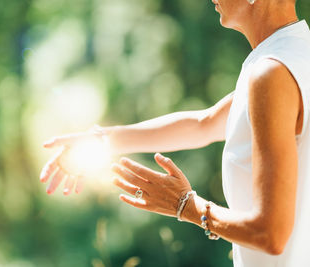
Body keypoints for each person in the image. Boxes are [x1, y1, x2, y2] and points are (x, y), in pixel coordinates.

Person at [40, 0, 310, 265]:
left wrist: (186, 206)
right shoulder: (294, 54)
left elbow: (270, 234)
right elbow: (204, 124)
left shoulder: (271, 72)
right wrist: (102, 140)